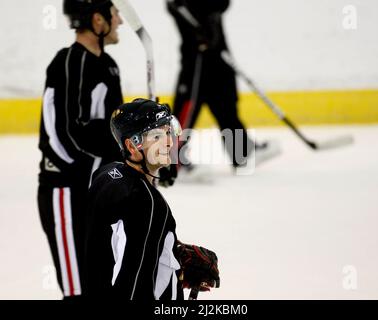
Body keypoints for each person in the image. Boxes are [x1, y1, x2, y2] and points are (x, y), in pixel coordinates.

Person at [84, 98, 220, 300]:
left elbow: (115, 252)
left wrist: (170, 261)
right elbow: (133, 283)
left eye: (167, 132)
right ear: (132, 146)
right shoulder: (146, 202)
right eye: (157, 135)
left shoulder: (106, 174)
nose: (168, 141)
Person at [37, 0, 123, 299]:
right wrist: (91, 177)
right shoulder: (68, 63)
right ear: (98, 20)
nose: (121, 21)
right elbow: (58, 134)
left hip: (97, 193)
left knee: (103, 285)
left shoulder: (109, 66)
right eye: (115, 14)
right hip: (66, 190)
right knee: (78, 292)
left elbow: (116, 135)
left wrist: (146, 163)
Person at [160, 0, 281, 185]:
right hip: (197, 51)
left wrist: (211, 18)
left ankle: (242, 153)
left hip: (216, 49)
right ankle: (172, 161)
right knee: (188, 105)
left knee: (225, 102)